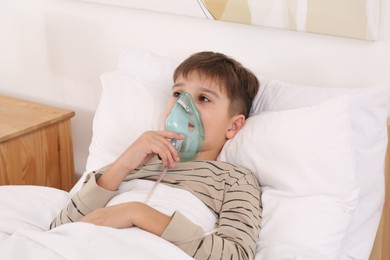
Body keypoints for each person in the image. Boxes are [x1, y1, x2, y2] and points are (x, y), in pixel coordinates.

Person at [50, 51, 261, 260]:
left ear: (233, 126)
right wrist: (122, 164)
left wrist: (137, 213)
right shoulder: (133, 163)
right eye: (178, 94)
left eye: (203, 98)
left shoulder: (234, 179)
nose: (183, 105)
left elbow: (236, 255)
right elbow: (59, 230)